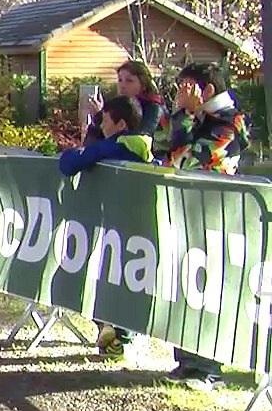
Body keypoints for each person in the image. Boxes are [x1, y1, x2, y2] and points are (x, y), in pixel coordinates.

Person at [164, 62, 249, 389]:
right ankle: (186, 361)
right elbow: (163, 146)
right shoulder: (196, 119)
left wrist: (184, 117)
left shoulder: (230, 122)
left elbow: (183, 159)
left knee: (209, 287)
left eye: (186, 87)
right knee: (183, 285)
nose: (181, 95)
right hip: (186, 211)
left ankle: (208, 368)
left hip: (217, 216)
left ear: (206, 90)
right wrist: (182, 116)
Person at [79, 60, 166, 354]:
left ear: (143, 82)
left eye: (129, 80)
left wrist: (99, 144)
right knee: (105, 263)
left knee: (128, 265)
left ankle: (124, 335)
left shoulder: (150, 110)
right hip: (108, 199)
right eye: (119, 80)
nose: (122, 85)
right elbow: (93, 142)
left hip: (135, 198)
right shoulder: (115, 108)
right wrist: (96, 121)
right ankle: (105, 326)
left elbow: (130, 143)